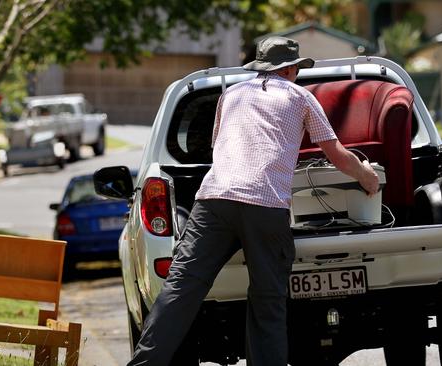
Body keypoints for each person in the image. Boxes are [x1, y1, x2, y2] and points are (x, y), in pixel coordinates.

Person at [127, 36, 380, 366]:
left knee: (180, 289)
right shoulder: (301, 98)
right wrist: (366, 176)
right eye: (297, 69)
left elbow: (220, 147)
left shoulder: (230, 94)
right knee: (267, 302)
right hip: (264, 204)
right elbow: (336, 155)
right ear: (290, 68)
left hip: (214, 200)